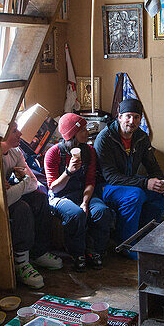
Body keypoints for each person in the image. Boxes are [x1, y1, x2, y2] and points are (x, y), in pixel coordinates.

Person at [0, 122, 63, 289]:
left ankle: (39, 251)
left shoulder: (14, 151)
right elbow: (2, 200)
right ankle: (20, 262)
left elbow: (33, 183)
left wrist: (16, 185)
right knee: (22, 208)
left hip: (5, 197)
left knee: (40, 197)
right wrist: (21, 184)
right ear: (1, 135)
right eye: (14, 131)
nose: (20, 133)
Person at [94, 99, 164, 255]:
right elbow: (111, 177)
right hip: (105, 186)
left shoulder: (141, 137)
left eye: (136, 117)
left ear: (141, 119)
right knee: (135, 194)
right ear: (119, 117)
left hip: (129, 183)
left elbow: (152, 166)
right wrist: (145, 182)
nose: (132, 121)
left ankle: (144, 230)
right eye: (128, 116)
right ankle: (127, 244)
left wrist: (161, 182)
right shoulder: (105, 138)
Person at [43, 113, 114, 271]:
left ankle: (96, 251)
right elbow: (53, 188)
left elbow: (90, 182)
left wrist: (85, 202)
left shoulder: (89, 151)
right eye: (82, 130)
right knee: (75, 214)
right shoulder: (53, 154)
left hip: (83, 193)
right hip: (59, 196)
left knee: (102, 211)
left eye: (85, 128)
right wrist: (68, 171)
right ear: (71, 134)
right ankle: (77, 253)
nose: (86, 132)